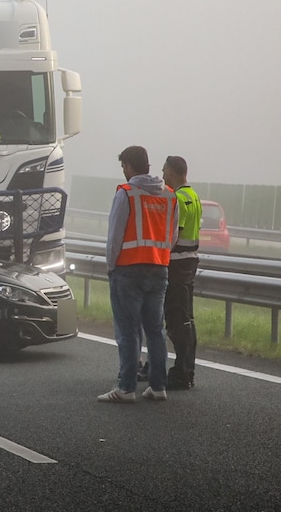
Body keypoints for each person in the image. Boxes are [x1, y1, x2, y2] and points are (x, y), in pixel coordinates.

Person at [98, 145, 178, 403]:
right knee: (155, 330)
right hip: (159, 269)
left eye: (124, 167)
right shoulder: (169, 195)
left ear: (130, 167)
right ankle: (158, 386)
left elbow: (115, 236)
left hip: (128, 270)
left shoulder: (127, 193)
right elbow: (173, 235)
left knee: (128, 332)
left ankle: (126, 387)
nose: (123, 171)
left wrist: (111, 265)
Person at [163, 155, 201, 390]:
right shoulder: (194, 196)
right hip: (191, 261)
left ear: (174, 172)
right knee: (187, 319)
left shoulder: (177, 198)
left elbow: (173, 234)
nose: (163, 175)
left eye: (165, 171)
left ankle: (181, 371)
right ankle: (188, 369)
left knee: (176, 319)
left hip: (176, 263)